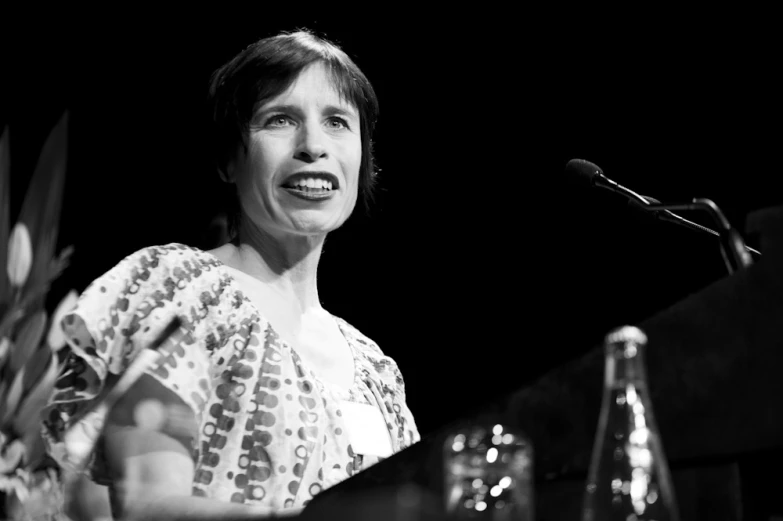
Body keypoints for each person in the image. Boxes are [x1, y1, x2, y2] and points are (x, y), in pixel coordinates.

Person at [43, 29, 420, 520]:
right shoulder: (179, 292)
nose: (313, 146)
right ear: (228, 159)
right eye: (280, 120)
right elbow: (147, 506)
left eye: (337, 123)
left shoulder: (378, 373)